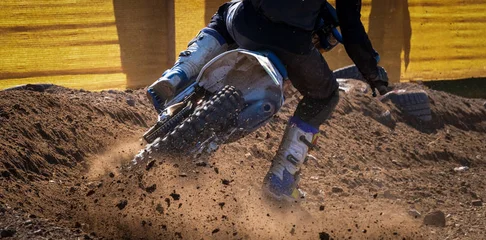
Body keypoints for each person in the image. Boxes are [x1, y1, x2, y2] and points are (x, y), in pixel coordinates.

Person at [146, 0, 388, 201]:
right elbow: (351, 26)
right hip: (292, 44)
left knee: (223, 15)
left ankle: (177, 75)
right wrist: (372, 72)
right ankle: (281, 177)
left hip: (246, 22)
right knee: (325, 95)